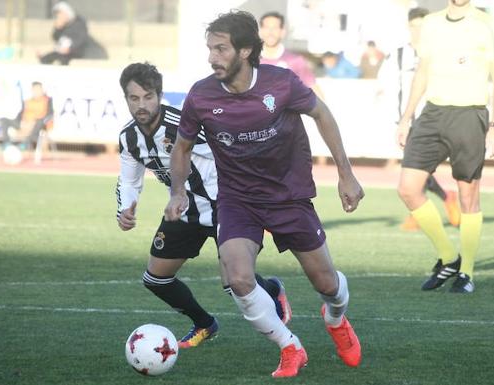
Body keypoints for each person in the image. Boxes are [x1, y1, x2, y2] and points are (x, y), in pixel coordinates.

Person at [165, 11, 364, 378]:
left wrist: (346, 174)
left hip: (289, 197)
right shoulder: (202, 95)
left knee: (328, 285)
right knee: (239, 278)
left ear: (244, 51)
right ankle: (290, 346)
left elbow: (322, 114)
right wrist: (178, 192)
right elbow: (181, 147)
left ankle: (335, 319)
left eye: (221, 49)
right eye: (210, 48)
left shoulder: (282, 83)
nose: (212, 57)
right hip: (238, 200)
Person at [115, 62, 292, 349]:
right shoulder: (128, 138)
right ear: (126, 99)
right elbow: (129, 180)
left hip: (228, 203)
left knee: (232, 282)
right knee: (155, 279)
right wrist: (126, 207)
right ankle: (204, 324)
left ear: (159, 95)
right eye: (134, 98)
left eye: (148, 97)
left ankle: (272, 290)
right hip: (184, 210)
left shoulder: (183, 123)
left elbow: (233, 150)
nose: (141, 105)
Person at [396, 0, 494, 294]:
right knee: (408, 187)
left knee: (468, 194)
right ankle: (449, 257)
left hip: (470, 114)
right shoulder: (431, 23)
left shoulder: (488, 23)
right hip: (433, 114)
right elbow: (422, 72)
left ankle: (466, 273)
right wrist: (406, 117)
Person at [378, 7, 461, 231]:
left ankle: (428, 207)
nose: (418, 31)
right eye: (414, 26)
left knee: (416, 168)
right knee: (416, 169)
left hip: (431, 120)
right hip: (405, 121)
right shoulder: (396, 55)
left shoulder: (438, 54)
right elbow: (384, 85)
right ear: (408, 26)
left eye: (422, 26)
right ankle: (443, 199)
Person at [258, 11, 315, 88]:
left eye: (275, 28)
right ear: (260, 31)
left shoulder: (295, 61)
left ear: (283, 32)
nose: (270, 32)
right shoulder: (247, 60)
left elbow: (313, 88)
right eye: (267, 27)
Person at [0, 81, 53, 150]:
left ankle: (26, 143)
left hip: (38, 125)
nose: (37, 92)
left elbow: (49, 115)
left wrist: (34, 122)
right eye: (35, 89)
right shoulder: (27, 101)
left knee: (39, 123)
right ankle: (6, 143)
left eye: (39, 89)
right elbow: (21, 113)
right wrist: (21, 122)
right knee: (3, 120)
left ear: (42, 90)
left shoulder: (47, 100)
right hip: (24, 123)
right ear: (32, 90)